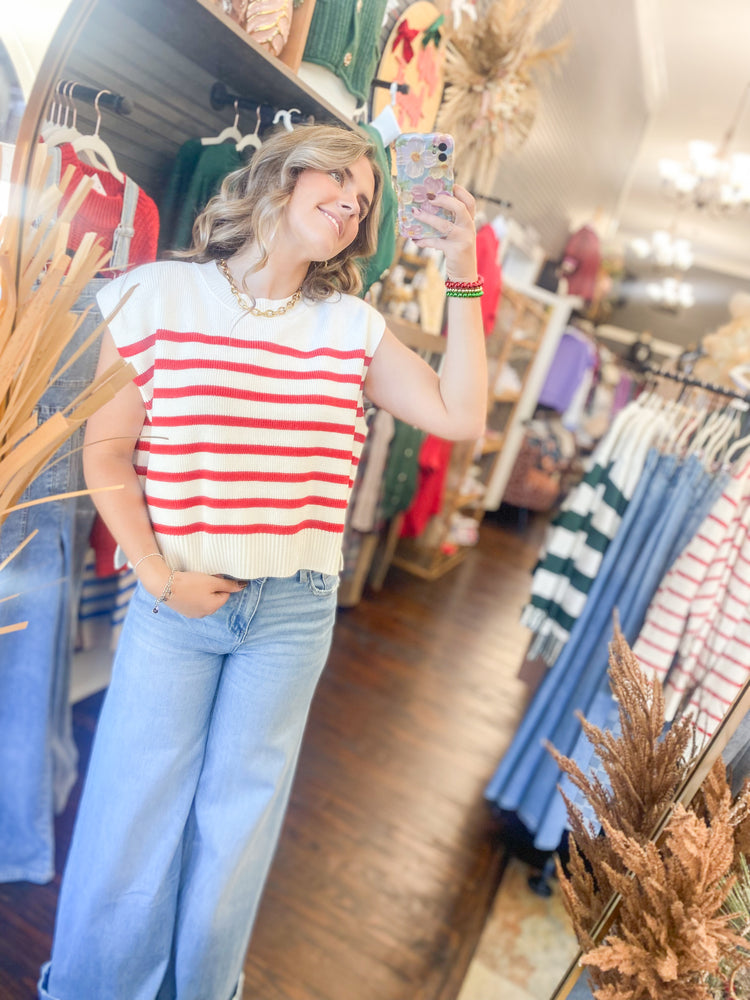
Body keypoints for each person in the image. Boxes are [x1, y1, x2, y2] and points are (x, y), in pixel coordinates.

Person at [39, 123, 487, 1000]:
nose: (353, 202)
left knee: (236, 829)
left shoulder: (350, 329)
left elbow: (461, 416)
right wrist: (156, 575)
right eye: (339, 179)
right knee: (132, 816)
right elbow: (108, 452)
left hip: (293, 610)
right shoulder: (155, 294)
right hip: (176, 599)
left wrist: (464, 267)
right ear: (280, 177)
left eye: (366, 198)